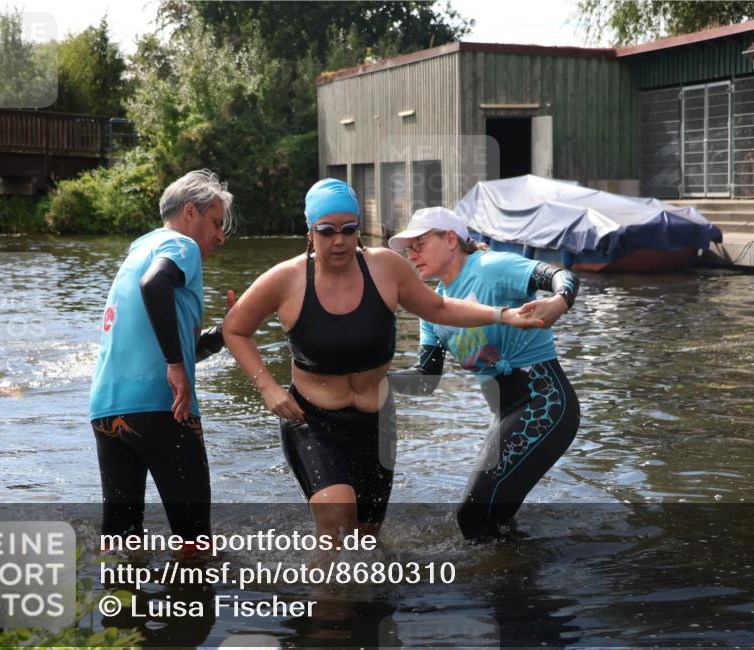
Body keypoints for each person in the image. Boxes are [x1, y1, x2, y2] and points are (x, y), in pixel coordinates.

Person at [222, 179, 544, 541]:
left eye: (349, 229)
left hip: (376, 425)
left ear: (359, 227)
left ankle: (366, 596)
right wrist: (267, 387)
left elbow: (438, 307)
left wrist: (503, 315)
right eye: (327, 231)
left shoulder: (386, 268)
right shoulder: (287, 279)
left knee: (366, 537)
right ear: (310, 232)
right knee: (336, 521)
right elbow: (234, 329)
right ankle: (326, 597)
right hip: (312, 421)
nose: (339, 240)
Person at [387, 207, 581, 540]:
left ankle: (506, 584)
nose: (412, 255)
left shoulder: (490, 268)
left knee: (471, 516)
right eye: (408, 249)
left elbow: (562, 277)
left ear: (450, 239)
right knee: (491, 516)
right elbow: (425, 379)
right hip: (505, 414)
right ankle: (519, 579)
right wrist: (371, 378)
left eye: (419, 243)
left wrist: (559, 302)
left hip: (546, 403)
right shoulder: (431, 309)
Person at [89, 169, 234, 543]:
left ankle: (119, 601)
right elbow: (154, 284)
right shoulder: (181, 246)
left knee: (120, 540)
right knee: (195, 541)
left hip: (108, 411)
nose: (220, 236)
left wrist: (222, 335)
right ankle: (193, 599)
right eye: (216, 224)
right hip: (162, 408)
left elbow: (172, 342)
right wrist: (175, 366)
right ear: (190, 212)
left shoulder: (140, 249)